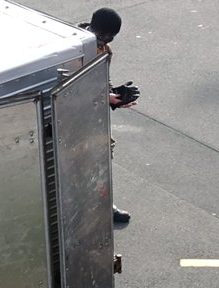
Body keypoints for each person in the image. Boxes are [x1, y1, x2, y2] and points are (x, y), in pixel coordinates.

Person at [79, 7, 137, 224]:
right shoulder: (75, 49)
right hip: (72, 117)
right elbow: (73, 89)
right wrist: (107, 97)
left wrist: (116, 97)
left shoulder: (104, 50)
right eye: (104, 35)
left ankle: (102, 204)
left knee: (103, 154)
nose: (106, 40)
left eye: (111, 37)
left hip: (94, 115)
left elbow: (101, 82)